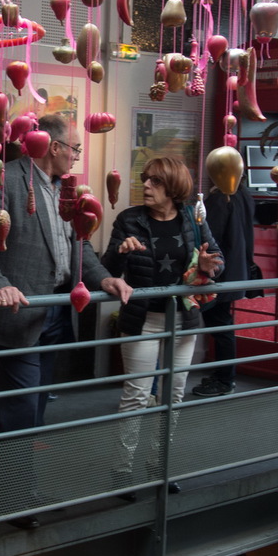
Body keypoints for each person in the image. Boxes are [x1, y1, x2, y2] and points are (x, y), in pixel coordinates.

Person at [0, 113, 131, 528]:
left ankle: (23, 487)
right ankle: (15, 499)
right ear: (53, 147)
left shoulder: (65, 188)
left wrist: (104, 278)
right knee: (21, 409)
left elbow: (79, 244)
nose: (77, 156)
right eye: (75, 148)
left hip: (56, 310)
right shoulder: (5, 180)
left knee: (36, 408)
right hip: (17, 312)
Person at [101, 157, 222, 488]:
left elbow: (217, 259)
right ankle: (122, 470)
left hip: (184, 319)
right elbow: (106, 270)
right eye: (145, 179)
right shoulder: (129, 219)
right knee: (137, 395)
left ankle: (159, 465)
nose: (146, 185)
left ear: (173, 186)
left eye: (155, 181)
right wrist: (121, 251)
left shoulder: (193, 218)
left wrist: (209, 265)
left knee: (174, 395)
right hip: (143, 320)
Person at [192, 181, 254, 397]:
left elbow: (209, 239)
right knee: (223, 325)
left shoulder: (220, 199)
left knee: (220, 326)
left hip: (220, 273)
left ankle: (224, 379)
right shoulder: (243, 194)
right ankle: (224, 375)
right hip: (237, 270)